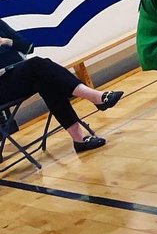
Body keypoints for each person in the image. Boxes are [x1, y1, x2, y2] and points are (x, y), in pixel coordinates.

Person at [0, 18, 121, 154]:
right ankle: (96, 97)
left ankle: (79, 139)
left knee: (46, 81)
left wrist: (6, 41)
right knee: (38, 65)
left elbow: (28, 46)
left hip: (19, 76)